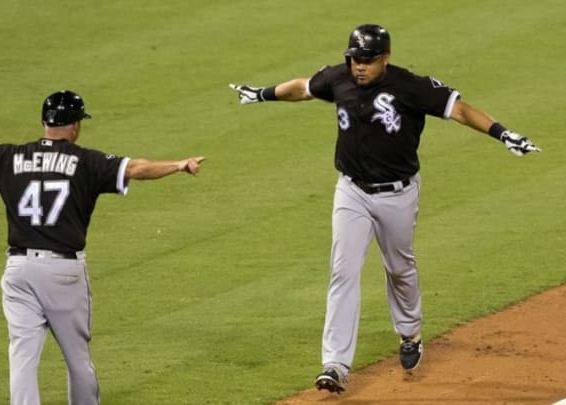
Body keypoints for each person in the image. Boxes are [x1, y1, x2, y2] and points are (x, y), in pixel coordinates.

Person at [229, 24, 540, 394]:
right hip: (351, 192)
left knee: (399, 267)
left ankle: (410, 333)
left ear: (385, 58)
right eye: (354, 58)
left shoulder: (410, 87)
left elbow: (459, 110)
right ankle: (335, 364)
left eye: (367, 60)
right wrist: (262, 94)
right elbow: (303, 87)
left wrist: (502, 133)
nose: (359, 66)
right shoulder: (338, 78)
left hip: (398, 194)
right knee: (343, 271)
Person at [0, 90, 205, 405]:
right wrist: (178, 165)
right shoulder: (86, 161)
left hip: (19, 271)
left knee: (22, 354)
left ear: (45, 123)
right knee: (76, 356)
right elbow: (134, 168)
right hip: (64, 273)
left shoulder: (9, 156)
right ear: (74, 126)